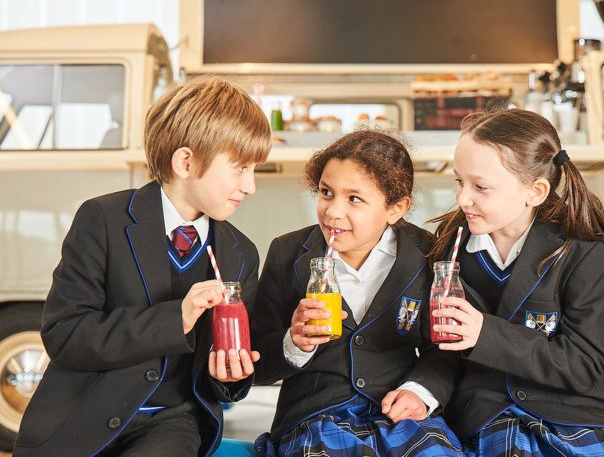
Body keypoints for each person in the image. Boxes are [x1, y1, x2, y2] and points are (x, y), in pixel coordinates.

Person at [14, 77, 272, 456]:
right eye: (240, 168)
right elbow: (65, 335)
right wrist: (176, 319)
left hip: (173, 423)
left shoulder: (241, 253)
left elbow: (223, 383)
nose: (250, 186)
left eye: (254, 170)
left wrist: (230, 377)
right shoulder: (103, 219)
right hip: (79, 418)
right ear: (186, 162)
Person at [429, 109, 604, 456]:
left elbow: (583, 365)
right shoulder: (452, 243)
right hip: (488, 410)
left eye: (480, 187)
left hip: (575, 410)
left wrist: (485, 334)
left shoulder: (585, 250)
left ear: (536, 191)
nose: (463, 198)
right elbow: (441, 351)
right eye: (458, 182)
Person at [252, 130, 463, 456]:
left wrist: (418, 392)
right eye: (326, 193)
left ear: (396, 208)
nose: (333, 212)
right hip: (315, 415)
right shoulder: (287, 253)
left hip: (398, 411)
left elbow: (444, 350)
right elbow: (257, 361)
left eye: (354, 199)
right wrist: (294, 342)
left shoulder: (427, 255)